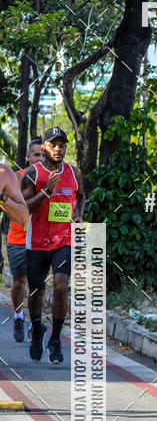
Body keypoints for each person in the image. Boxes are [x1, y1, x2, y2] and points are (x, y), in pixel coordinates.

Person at [22, 127, 85, 363]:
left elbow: (80, 196)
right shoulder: (32, 173)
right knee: (36, 291)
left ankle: (56, 339)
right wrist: (47, 189)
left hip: (64, 240)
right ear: (43, 148)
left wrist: (78, 215)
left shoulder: (74, 172)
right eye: (53, 145)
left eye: (62, 145)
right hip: (37, 241)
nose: (58, 149)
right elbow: (24, 207)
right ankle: (38, 331)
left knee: (61, 285)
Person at [6, 138, 43, 342]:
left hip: (41, 241)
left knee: (38, 285)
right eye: (36, 154)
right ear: (28, 156)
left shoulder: (51, 178)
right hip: (18, 238)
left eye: (43, 155)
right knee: (20, 281)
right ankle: (19, 316)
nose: (39, 159)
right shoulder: (15, 177)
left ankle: (35, 322)